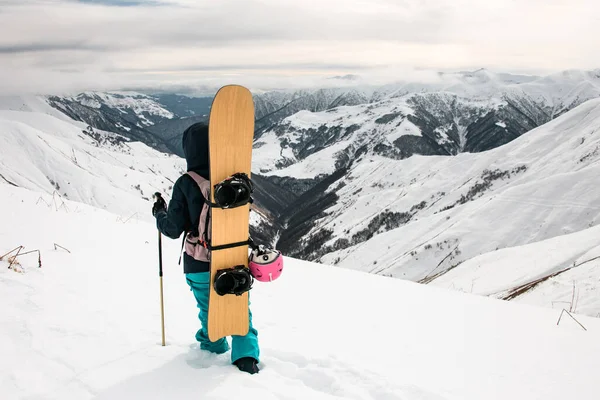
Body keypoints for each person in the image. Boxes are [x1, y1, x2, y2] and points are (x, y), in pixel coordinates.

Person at [151, 122, 260, 374]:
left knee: (209, 309)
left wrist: (159, 213)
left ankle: (212, 350)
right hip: (233, 257)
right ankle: (246, 358)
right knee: (239, 307)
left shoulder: (186, 183)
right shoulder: (233, 179)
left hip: (198, 263)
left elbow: (172, 229)